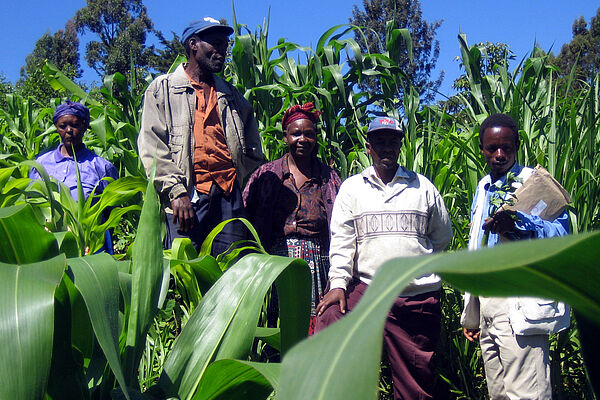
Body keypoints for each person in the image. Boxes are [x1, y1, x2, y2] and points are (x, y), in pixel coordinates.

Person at [315, 116, 453, 400]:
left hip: (415, 296)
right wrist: (339, 282)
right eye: (380, 142)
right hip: (369, 289)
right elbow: (342, 239)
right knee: (330, 318)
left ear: (401, 146)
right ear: (369, 147)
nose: (386, 148)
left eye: (393, 141)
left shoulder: (422, 187)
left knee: (415, 383)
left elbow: (442, 237)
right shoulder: (353, 189)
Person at [461, 113, 570, 400]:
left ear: (517, 145)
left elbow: (561, 236)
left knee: (527, 394)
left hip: (519, 301)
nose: (499, 155)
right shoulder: (483, 187)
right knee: (498, 393)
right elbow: (476, 245)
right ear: (482, 148)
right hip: (488, 304)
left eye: (506, 148)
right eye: (491, 148)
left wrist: (519, 224)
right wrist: (473, 313)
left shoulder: (534, 184)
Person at [137, 17, 263, 256]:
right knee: (185, 274)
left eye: (225, 45)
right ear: (193, 45)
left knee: (230, 273)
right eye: (215, 44)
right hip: (187, 200)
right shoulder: (162, 89)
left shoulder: (232, 96)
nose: (222, 50)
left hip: (229, 200)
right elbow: (153, 147)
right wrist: (176, 191)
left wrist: (237, 184)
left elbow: (253, 150)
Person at [243, 102, 341, 334]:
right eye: (296, 133)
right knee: (276, 323)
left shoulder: (328, 178)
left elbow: (342, 224)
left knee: (313, 327)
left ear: (316, 137)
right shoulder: (267, 175)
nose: (302, 139)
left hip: (317, 263)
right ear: (285, 136)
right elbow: (246, 214)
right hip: (275, 261)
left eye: (309, 134)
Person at [30, 100, 118, 252]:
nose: (69, 130)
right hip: (49, 243)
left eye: (75, 125)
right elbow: (32, 204)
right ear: (57, 128)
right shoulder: (41, 165)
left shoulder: (101, 167)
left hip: (89, 246)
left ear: (84, 126)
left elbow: (112, 212)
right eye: (63, 126)